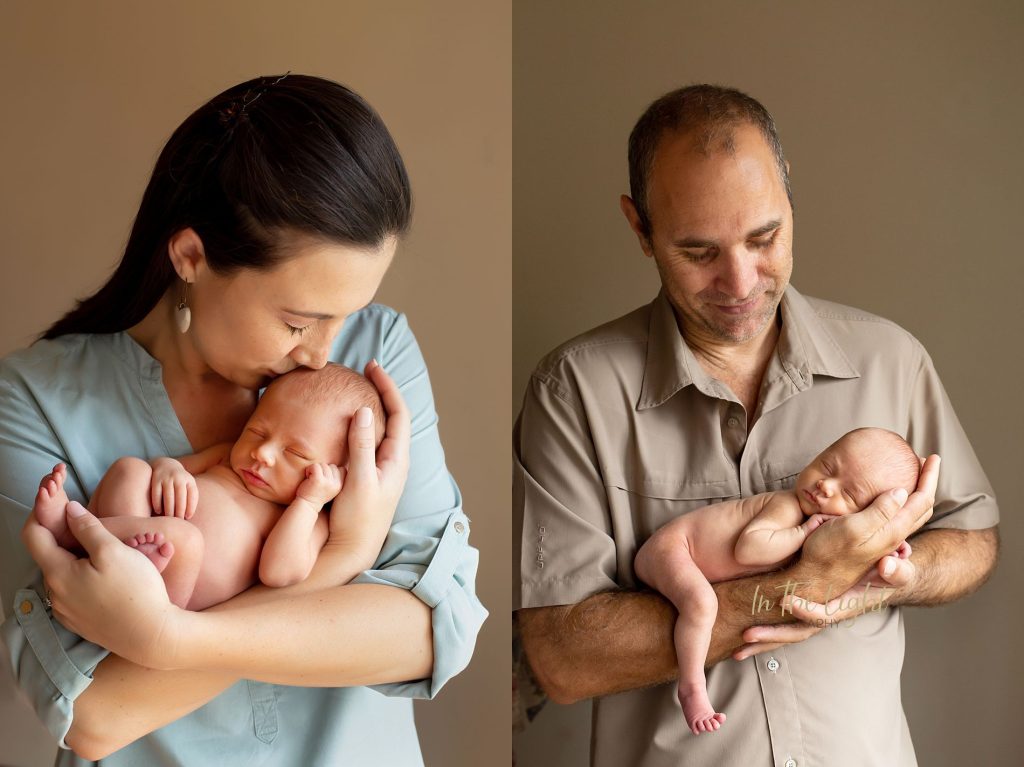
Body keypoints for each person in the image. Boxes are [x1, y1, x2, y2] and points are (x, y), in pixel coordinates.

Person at [1, 73, 486, 765]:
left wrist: (169, 640)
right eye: (298, 321)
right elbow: (92, 714)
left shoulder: (372, 357)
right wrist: (344, 561)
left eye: (344, 314)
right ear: (191, 256)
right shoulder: (32, 400)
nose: (322, 352)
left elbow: (431, 633)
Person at [514, 85, 998, 767]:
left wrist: (872, 579)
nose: (739, 280)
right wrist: (802, 587)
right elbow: (561, 654)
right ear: (639, 228)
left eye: (764, 238)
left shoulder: (892, 359)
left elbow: (973, 541)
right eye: (698, 250)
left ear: (791, 201)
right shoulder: (575, 392)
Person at [635, 427, 918, 735]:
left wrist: (887, 546)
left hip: (683, 555)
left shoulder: (822, 526)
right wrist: (804, 531)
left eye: (849, 494)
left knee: (704, 603)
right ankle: (691, 687)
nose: (825, 485)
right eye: (826, 466)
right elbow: (749, 549)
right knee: (702, 605)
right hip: (673, 549)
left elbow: (852, 550)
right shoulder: (789, 507)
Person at [33, 364, 386, 611]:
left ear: (335, 475)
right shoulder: (226, 459)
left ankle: (72, 534)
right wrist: (170, 470)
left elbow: (278, 573)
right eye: (257, 431)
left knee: (184, 539)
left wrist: (309, 503)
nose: (261, 453)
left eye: (294, 453)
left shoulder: (309, 517)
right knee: (131, 469)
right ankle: (104, 551)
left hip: (165, 599)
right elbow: (169, 468)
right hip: (141, 536)